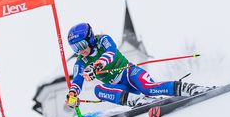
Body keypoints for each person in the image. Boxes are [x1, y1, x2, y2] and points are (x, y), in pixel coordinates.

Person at [65, 23, 212, 108]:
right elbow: (77, 80)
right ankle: (136, 101)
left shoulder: (103, 40)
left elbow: (111, 51)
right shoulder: (80, 62)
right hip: (119, 87)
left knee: (148, 88)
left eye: (81, 45)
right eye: (75, 48)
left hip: (130, 74)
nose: (80, 50)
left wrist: (97, 65)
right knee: (98, 90)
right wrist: (72, 95)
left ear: (89, 39)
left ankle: (189, 88)